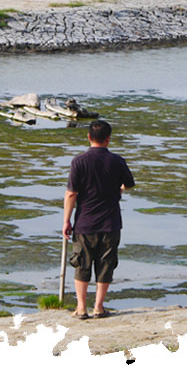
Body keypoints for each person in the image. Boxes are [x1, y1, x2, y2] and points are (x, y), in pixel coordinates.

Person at [63, 120, 135, 319]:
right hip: (110, 222)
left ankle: (81, 307)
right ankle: (99, 306)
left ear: (88, 137)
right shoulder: (117, 161)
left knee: (82, 264)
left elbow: (71, 194)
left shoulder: (79, 161)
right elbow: (128, 183)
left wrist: (66, 221)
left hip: (85, 222)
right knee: (106, 264)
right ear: (108, 139)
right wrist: (119, 188)